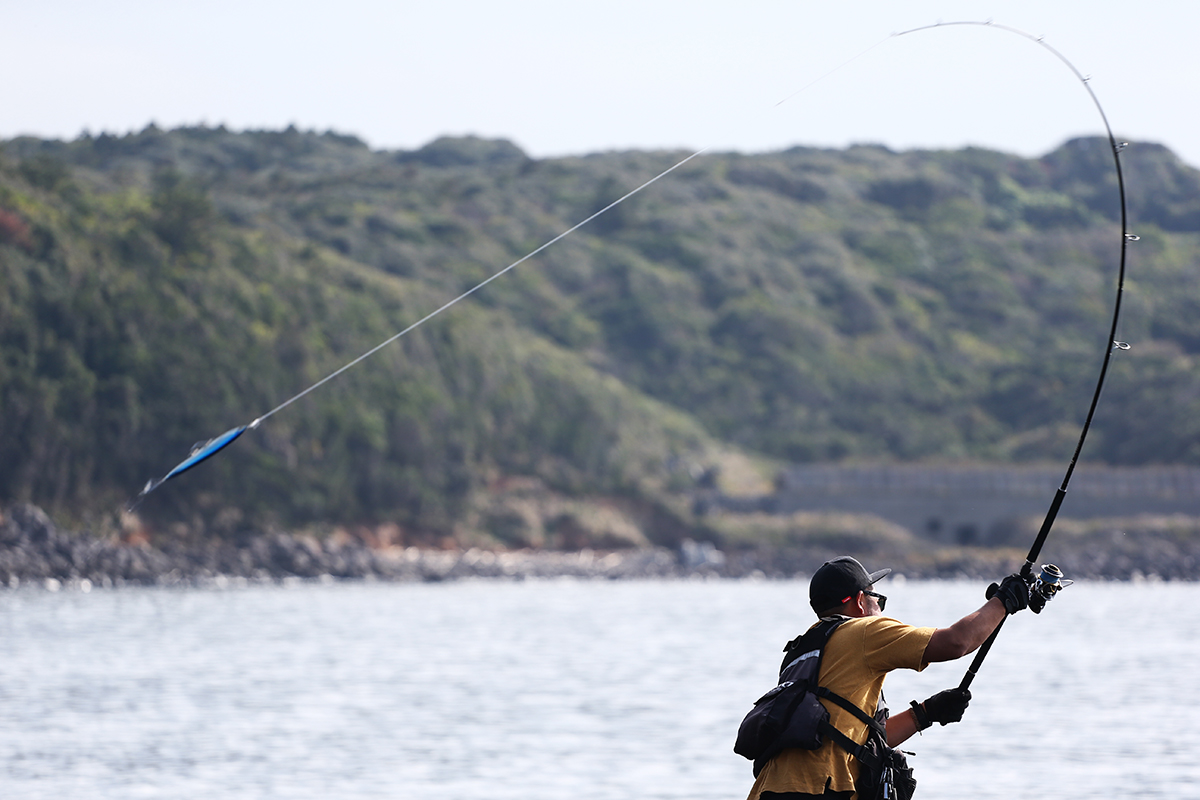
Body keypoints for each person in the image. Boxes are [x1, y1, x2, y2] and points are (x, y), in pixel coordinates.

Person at [745, 555, 1030, 800]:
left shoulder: (804, 649)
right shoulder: (863, 631)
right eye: (877, 599)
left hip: (769, 790)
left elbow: (850, 739)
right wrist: (1003, 601)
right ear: (859, 601)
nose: (881, 609)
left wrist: (926, 713)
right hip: (818, 789)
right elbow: (957, 642)